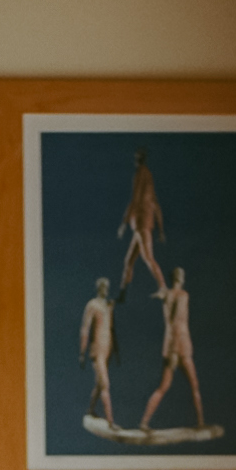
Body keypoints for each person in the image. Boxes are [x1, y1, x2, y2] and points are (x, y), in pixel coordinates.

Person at [140, 266, 207, 431]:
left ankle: (144, 422)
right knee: (194, 385)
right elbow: (178, 320)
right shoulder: (183, 295)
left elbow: (169, 315)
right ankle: (200, 423)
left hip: (169, 344)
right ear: (181, 278)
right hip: (181, 344)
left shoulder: (166, 294)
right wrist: (179, 346)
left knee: (163, 386)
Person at [116, 147, 167, 302]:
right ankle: (122, 292)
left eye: (136, 158)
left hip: (141, 223)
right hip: (142, 224)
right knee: (129, 260)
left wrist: (124, 223)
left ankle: (163, 286)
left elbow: (135, 198)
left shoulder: (141, 174)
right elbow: (156, 205)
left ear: (138, 159)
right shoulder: (149, 179)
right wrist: (160, 229)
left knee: (147, 257)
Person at [78, 277, 119, 426]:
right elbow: (85, 328)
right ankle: (110, 421)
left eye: (107, 286)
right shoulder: (93, 305)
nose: (106, 289)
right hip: (97, 350)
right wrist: (82, 352)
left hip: (106, 348)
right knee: (105, 384)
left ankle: (90, 409)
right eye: (103, 286)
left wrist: (115, 350)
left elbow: (111, 329)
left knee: (99, 384)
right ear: (98, 288)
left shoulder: (108, 305)